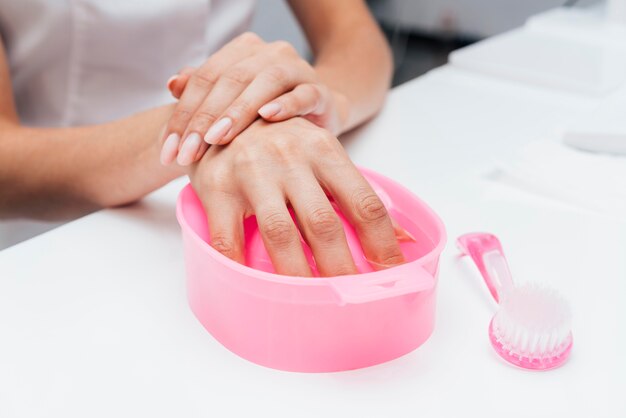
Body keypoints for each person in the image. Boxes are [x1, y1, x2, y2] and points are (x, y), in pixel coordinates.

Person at [0, 0, 405, 276]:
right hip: (58, 226)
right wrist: (207, 128)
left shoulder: (265, 121)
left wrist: (315, 99)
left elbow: (357, 39)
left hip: (266, 178)